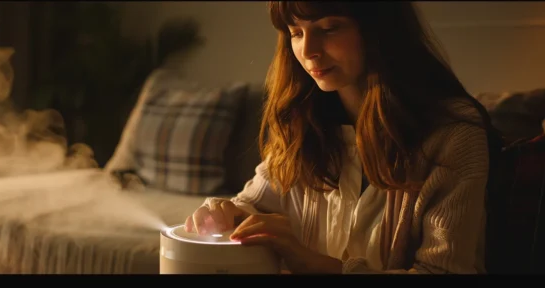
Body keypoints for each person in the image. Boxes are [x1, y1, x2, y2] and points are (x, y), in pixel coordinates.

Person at [184, 1, 502, 274]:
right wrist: (226, 213)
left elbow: (443, 272)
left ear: (380, 30)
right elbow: (250, 204)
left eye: (329, 28)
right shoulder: (304, 125)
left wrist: (316, 265)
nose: (308, 51)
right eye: (296, 32)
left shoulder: (452, 134)